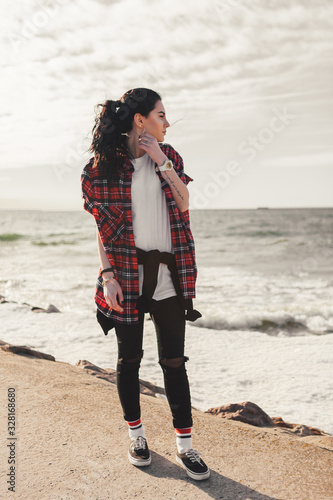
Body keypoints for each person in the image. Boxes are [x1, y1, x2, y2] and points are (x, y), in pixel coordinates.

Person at [80, 88, 210, 481]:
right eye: (161, 114)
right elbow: (102, 231)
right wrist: (108, 278)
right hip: (127, 277)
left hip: (170, 275)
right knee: (129, 360)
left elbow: (184, 202)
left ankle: (185, 446)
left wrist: (160, 160)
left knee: (174, 362)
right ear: (140, 120)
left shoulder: (168, 158)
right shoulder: (100, 169)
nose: (166, 122)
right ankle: (137, 436)